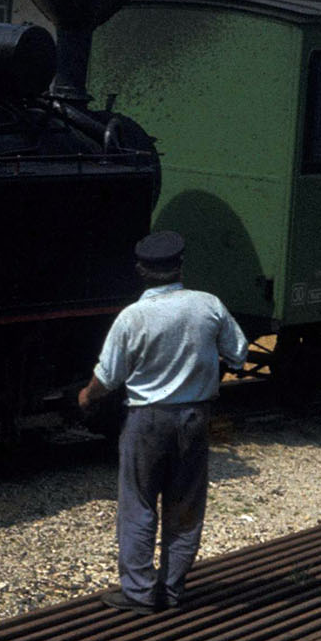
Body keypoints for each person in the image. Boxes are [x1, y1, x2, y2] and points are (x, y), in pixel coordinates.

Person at [77, 230, 248, 613]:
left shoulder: (132, 317)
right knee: (184, 506)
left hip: (146, 420)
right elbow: (239, 352)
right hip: (195, 418)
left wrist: (86, 398)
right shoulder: (209, 305)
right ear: (180, 266)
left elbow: (108, 378)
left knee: (138, 504)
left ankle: (138, 594)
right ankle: (171, 592)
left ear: (141, 270)